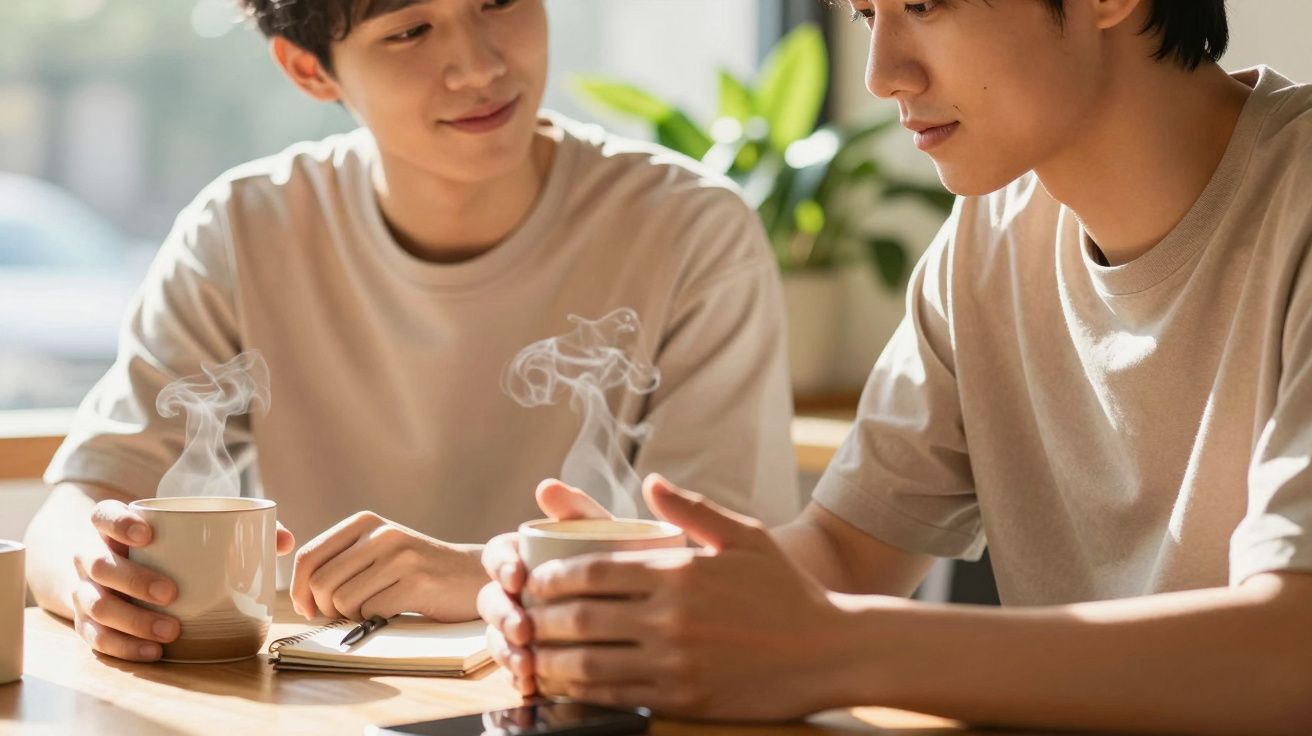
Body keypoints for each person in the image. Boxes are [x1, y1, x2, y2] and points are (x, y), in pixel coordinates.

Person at [477, 1, 1312, 733]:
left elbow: (1291, 657)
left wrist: (836, 650)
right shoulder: (986, 238)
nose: (883, 74)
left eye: (926, 3)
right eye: (867, 14)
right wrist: (627, 598)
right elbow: (843, 554)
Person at [23, 0, 801, 664]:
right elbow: (83, 499)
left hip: (590, 698)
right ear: (308, 69)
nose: (477, 65)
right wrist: (93, 579)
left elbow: (726, 568)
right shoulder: (242, 228)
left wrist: (483, 574)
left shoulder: (691, 228)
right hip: (316, 707)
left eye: (497, 0)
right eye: (409, 31)